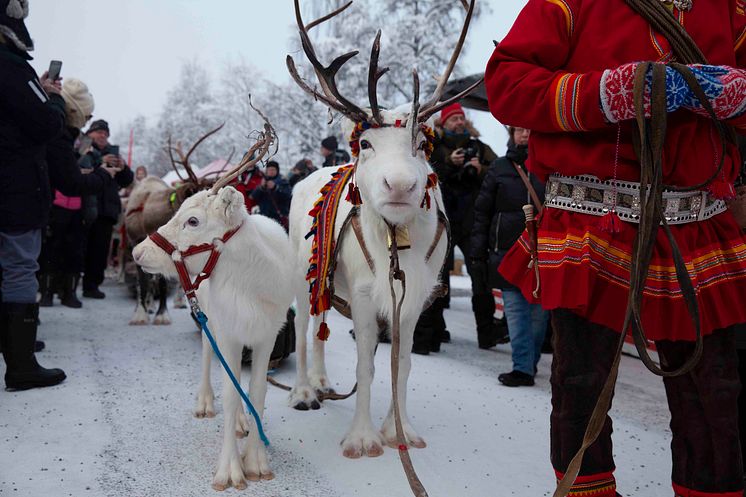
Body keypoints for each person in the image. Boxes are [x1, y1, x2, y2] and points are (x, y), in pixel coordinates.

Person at [486, 1, 746, 495]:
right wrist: (608, 93)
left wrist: (736, 95)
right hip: (593, 218)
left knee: (714, 391)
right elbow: (507, 85)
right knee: (581, 380)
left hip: (696, 221)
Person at [414, 102, 498, 354]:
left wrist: (479, 169)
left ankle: (487, 333)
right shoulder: (434, 148)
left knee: (480, 278)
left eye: (462, 118)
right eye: (454, 119)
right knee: (437, 278)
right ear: (444, 123)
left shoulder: (480, 148)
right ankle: (434, 334)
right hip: (441, 222)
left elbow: (497, 173)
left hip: (471, 223)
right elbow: (425, 174)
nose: (459, 122)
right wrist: (449, 163)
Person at [471, 126, 549, 386]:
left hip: (543, 253)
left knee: (539, 318)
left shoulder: (550, 166)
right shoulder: (500, 167)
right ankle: (522, 369)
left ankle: (528, 363)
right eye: (519, 130)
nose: (525, 134)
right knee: (516, 313)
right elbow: (482, 212)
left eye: (530, 130)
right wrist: (478, 254)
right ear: (511, 134)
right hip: (507, 251)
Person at [39, 79, 116, 309]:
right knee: (52, 251)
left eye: (104, 132)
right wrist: (97, 167)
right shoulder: (65, 135)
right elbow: (68, 172)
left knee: (74, 252)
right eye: (96, 129)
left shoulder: (74, 138)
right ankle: (46, 292)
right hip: (58, 203)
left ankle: (69, 292)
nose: (100, 135)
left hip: (79, 206)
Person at [79, 119, 133, 299]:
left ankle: (92, 285)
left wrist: (123, 167)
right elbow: (76, 167)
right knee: (78, 247)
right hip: (83, 207)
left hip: (106, 210)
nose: (102, 135)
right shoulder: (82, 147)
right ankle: (67, 284)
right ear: (90, 133)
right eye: (99, 132)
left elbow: (126, 181)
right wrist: (99, 161)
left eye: (105, 133)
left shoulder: (114, 153)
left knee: (100, 250)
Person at [251, 161, 291, 229]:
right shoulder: (262, 181)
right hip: (264, 217)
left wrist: (275, 188)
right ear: (266, 170)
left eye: (273, 169)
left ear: (277, 170)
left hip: (279, 218)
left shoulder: (283, 182)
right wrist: (261, 187)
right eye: (269, 169)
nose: (271, 171)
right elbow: (253, 197)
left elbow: (288, 196)